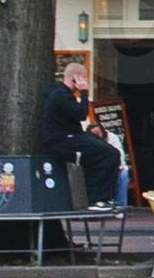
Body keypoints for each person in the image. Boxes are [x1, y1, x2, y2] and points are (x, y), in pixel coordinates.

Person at [42, 58, 123, 209]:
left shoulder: (57, 93)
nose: (86, 81)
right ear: (75, 78)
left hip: (66, 138)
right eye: (84, 78)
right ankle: (98, 199)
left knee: (101, 153)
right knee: (110, 154)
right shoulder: (60, 95)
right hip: (64, 140)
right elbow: (81, 113)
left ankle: (93, 197)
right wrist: (84, 92)